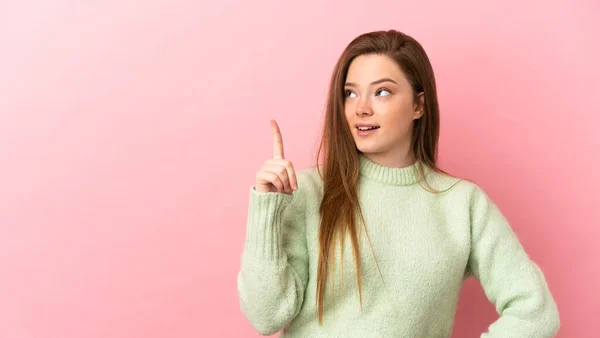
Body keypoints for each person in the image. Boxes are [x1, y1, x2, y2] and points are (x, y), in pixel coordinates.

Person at [236, 29, 560, 337]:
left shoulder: (463, 204)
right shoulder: (306, 192)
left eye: (382, 92)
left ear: (418, 105)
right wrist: (267, 209)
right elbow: (266, 317)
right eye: (350, 93)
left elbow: (536, 312)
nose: (361, 108)